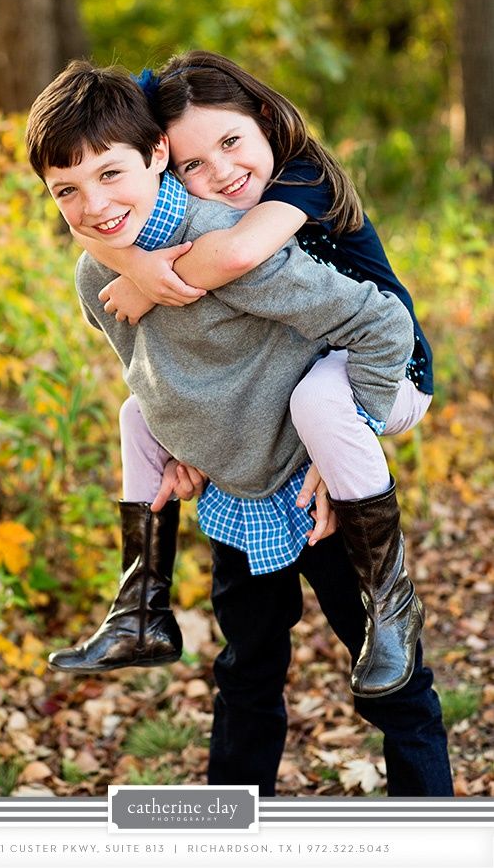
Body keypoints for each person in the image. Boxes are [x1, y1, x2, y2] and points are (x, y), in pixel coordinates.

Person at [25, 60, 453, 796]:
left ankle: (431, 820)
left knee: (394, 682)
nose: (94, 206)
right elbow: (145, 368)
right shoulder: (97, 273)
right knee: (245, 674)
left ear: (150, 158)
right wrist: (179, 444)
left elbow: (380, 324)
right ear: (170, 153)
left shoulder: (254, 225)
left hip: (319, 476)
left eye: (110, 175)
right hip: (235, 492)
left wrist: (355, 426)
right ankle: (143, 609)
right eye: (68, 190)